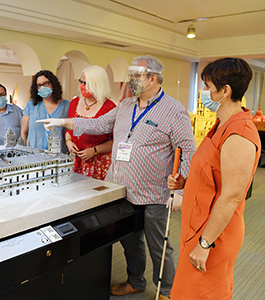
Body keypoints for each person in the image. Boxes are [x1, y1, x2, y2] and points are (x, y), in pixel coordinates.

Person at [37, 55, 197, 300]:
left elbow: (187, 151)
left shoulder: (174, 110)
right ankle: (136, 281)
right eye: (130, 75)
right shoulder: (126, 105)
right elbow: (100, 125)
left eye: (136, 76)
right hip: (121, 188)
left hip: (155, 193)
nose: (130, 80)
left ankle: (168, 292)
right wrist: (64, 122)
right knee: (130, 241)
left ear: (153, 78)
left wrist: (182, 191)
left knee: (159, 246)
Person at [168, 58, 261, 300]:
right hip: (198, 228)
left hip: (214, 236)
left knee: (202, 293)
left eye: (208, 87)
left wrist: (205, 243)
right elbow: (214, 174)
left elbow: (231, 195)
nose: (204, 93)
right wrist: (187, 183)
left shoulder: (239, 133)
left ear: (225, 91)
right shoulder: (221, 124)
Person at [65, 65, 116, 180]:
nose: (82, 86)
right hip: (76, 161)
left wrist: (94, 150)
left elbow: (115, 140)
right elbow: (69, 130)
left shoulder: (109, 107)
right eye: (81, 82)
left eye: (87, 84)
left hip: (98, 163)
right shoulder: (74, 102)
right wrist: (68, 142)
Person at [21, 70, 69, 152]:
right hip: (34, 156)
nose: (43, 87)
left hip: (59, 156)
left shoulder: (66, 106)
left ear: (53, 84)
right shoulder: (31, 105)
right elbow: (24, 131)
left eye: (46, 83)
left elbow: (71, 131)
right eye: (39, 85)